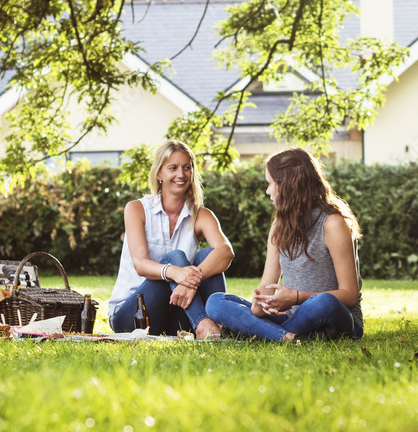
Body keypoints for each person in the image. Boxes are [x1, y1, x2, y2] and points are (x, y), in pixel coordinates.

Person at [206, 147, 364, 342]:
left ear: (288, 185)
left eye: (270, 184)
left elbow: (349, 295)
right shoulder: (279, 225)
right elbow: (267, 284)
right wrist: (259, 305)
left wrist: (296, 297)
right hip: (293, 318)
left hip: (335, 317)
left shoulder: (332, 223)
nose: (267, 191)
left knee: (324, 302)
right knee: (216, 302)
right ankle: (287, 336)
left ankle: (257, 332)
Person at [106, 140, 234, 338]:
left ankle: (213, 324)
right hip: (133, 316)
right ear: (159, 173)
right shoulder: (136, 209)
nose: (181, 174)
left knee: (210, 255)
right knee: (175, 257)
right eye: (172, 168)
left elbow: (226, 252)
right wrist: (175, 272)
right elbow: (141, 264)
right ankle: (203, 323)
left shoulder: (201, 215)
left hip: (175, 315)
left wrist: (188, 280)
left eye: (186, 168)